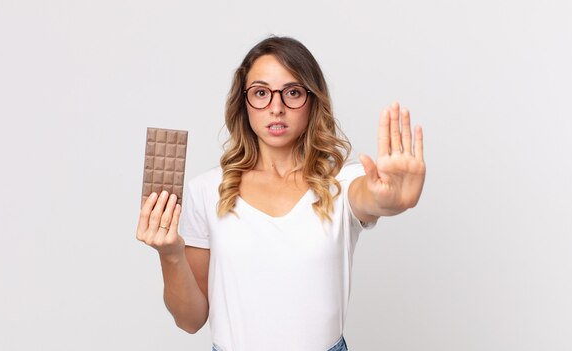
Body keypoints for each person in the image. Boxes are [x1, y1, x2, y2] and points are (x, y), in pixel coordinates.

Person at [136, 36, 426, 351]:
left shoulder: (342, 181)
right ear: (243, 102)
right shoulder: (206, 190)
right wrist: (170, 254)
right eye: (261, 93)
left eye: (292, 93)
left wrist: (391, 199)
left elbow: (370, 196)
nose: (276, 108)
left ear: (312, 101)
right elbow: (190, 320)